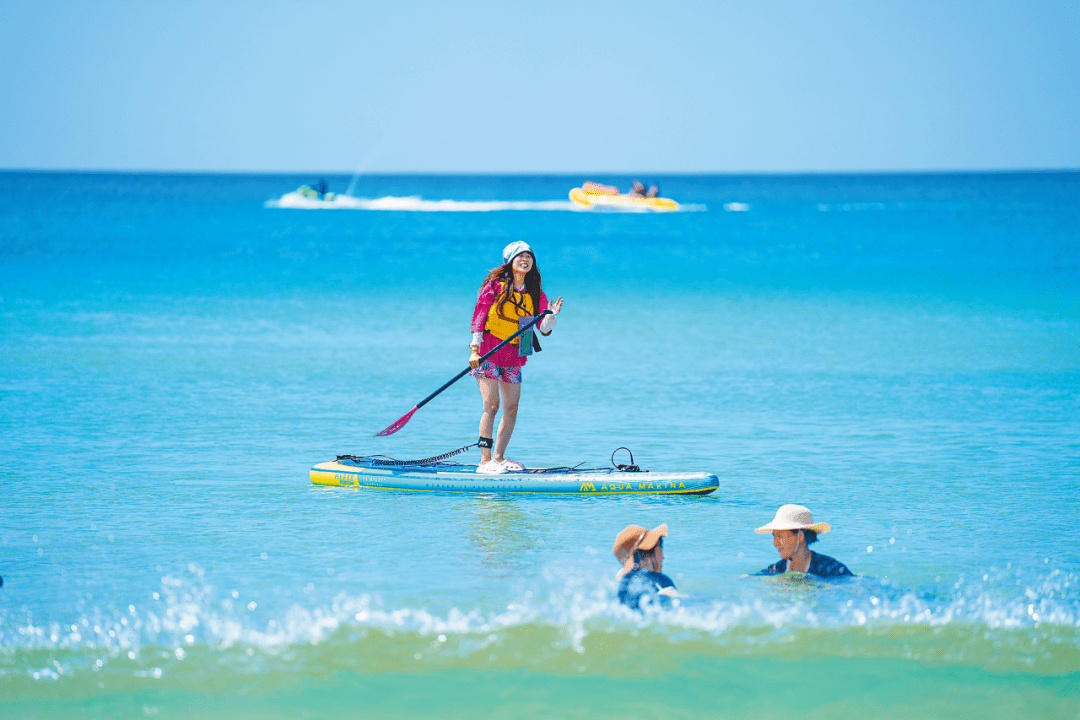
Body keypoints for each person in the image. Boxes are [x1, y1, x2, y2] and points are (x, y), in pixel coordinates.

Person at [469, 242, 563, 474]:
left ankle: (499, 458)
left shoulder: (534, 293)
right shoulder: (494, 286)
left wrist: (551, 316)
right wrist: (474, 349)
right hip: (488, 351)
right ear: (509, 261)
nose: (525, 259)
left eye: (529, 256)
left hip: (513, 355)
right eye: (520, 256)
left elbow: (543, 327)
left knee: (511, 408)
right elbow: (480, 316)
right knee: (491, 406)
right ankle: (484, 462)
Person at [754, 504, 853, 578]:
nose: (775, 543)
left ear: (800, 537)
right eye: (774, 536)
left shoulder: (832, 569)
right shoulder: (776, 569)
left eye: (779, 536)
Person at [613, 523, 677, 609]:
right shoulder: (661, 580)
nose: (663, 557)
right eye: (660, 549)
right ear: (647, 555)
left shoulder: (624, 581)